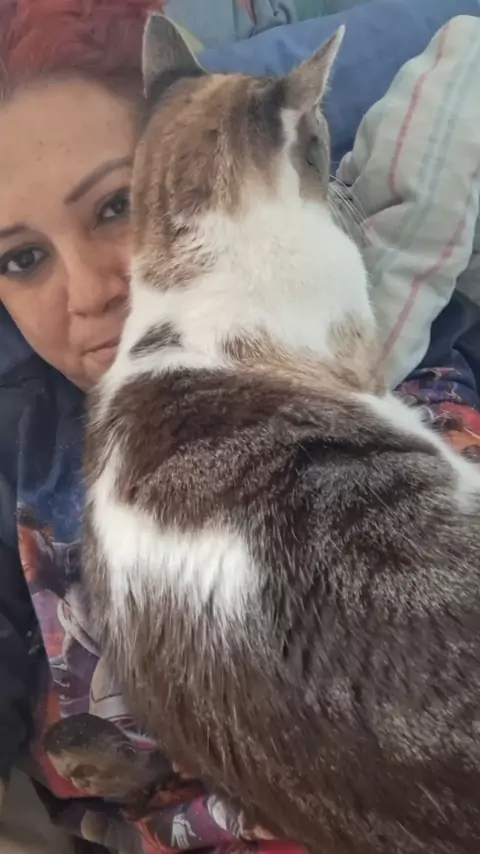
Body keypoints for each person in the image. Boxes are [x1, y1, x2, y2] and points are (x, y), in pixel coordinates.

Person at [1, 1, 480, 853]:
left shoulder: (401, 344)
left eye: (118, 205)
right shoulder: (22, 449)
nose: (91, 292)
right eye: (21, 258)